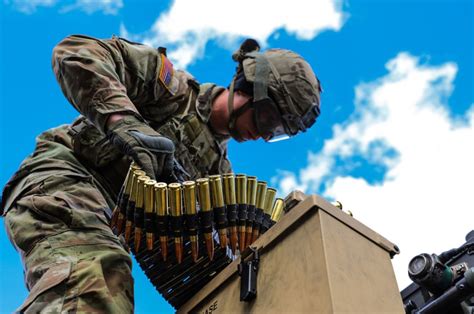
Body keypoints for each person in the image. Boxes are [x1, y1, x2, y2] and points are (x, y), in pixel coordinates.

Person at [1, 35, 321, 313]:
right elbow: (76, 51)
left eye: (277, 132)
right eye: (268, 118)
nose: (264, 134)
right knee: (95, 282)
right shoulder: (172, 91)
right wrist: (124, 123)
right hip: (67, 176)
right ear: (248, 83)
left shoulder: (218, 177)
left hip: (107, 220)